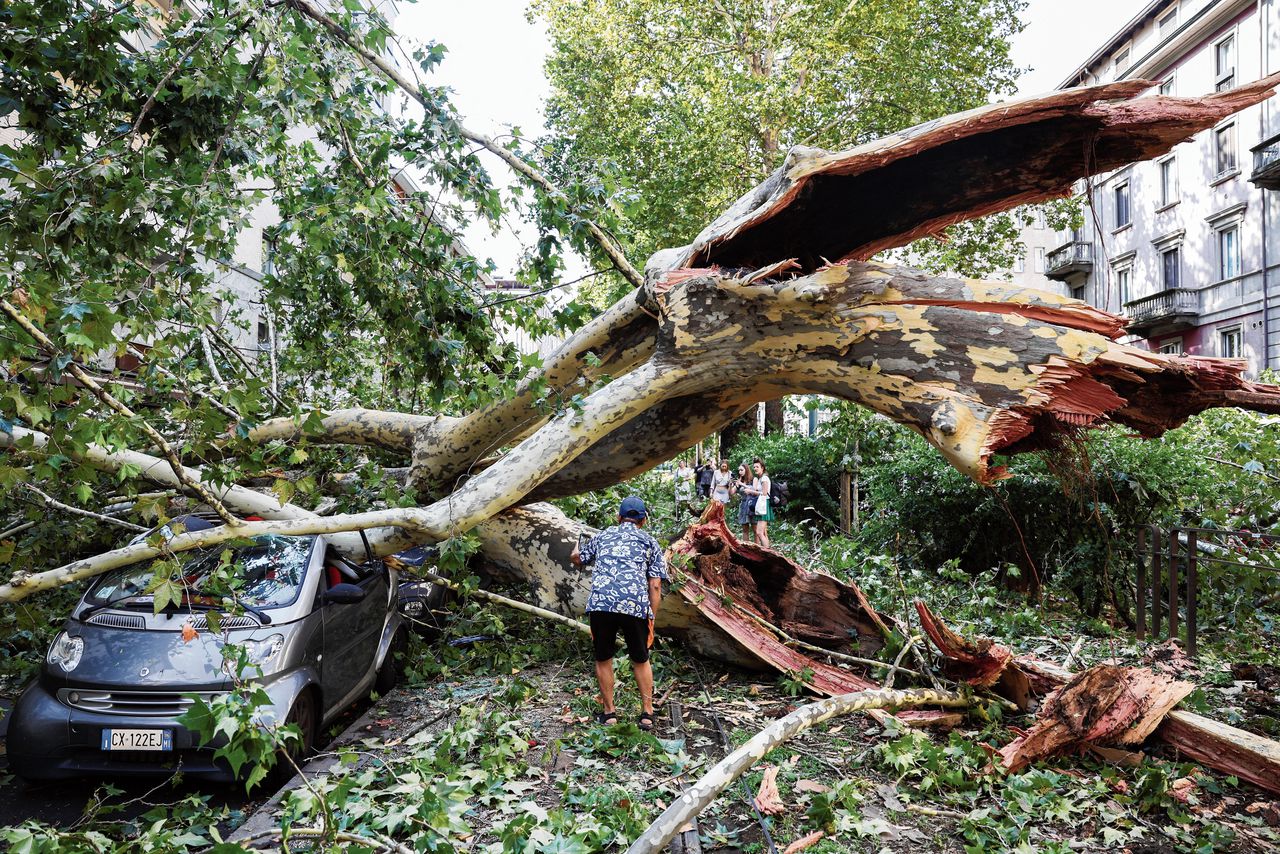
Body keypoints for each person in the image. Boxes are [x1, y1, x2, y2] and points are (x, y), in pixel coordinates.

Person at [571, 496, 668, 731]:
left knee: (603, 658)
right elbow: (655, 585)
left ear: (618, 517)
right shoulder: (649, 542)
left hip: (602, 605)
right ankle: (647, 713)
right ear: (643, 520)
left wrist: (576, 548)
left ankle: (609, 713)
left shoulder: (603, 535)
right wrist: (651, 618)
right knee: (640, 658)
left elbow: (577, 559)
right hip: (634, 606)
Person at [751, 457, 773, 549]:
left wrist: (751, 491)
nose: (755, 468)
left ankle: (767, 552)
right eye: (754, 467)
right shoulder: (760, 478)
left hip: (764, 505)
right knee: (762, 532)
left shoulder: (764, 478)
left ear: (762, 468)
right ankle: (766, 551)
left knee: (759, 532)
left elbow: (764, 493)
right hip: (762, 505)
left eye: (757, 467)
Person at [733, 463, 755, 541]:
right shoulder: (740, 481)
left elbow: (754, 490)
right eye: (739, 470)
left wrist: (742, 484)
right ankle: (746, 547)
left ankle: (757, 549)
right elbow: (731, 492)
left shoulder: (752, 480)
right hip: (743, 505)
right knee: (745, 530)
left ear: (746, 470)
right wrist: (731, 485)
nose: (740, 472)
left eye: (741, 470)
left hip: (751, 505)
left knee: (755, 529)